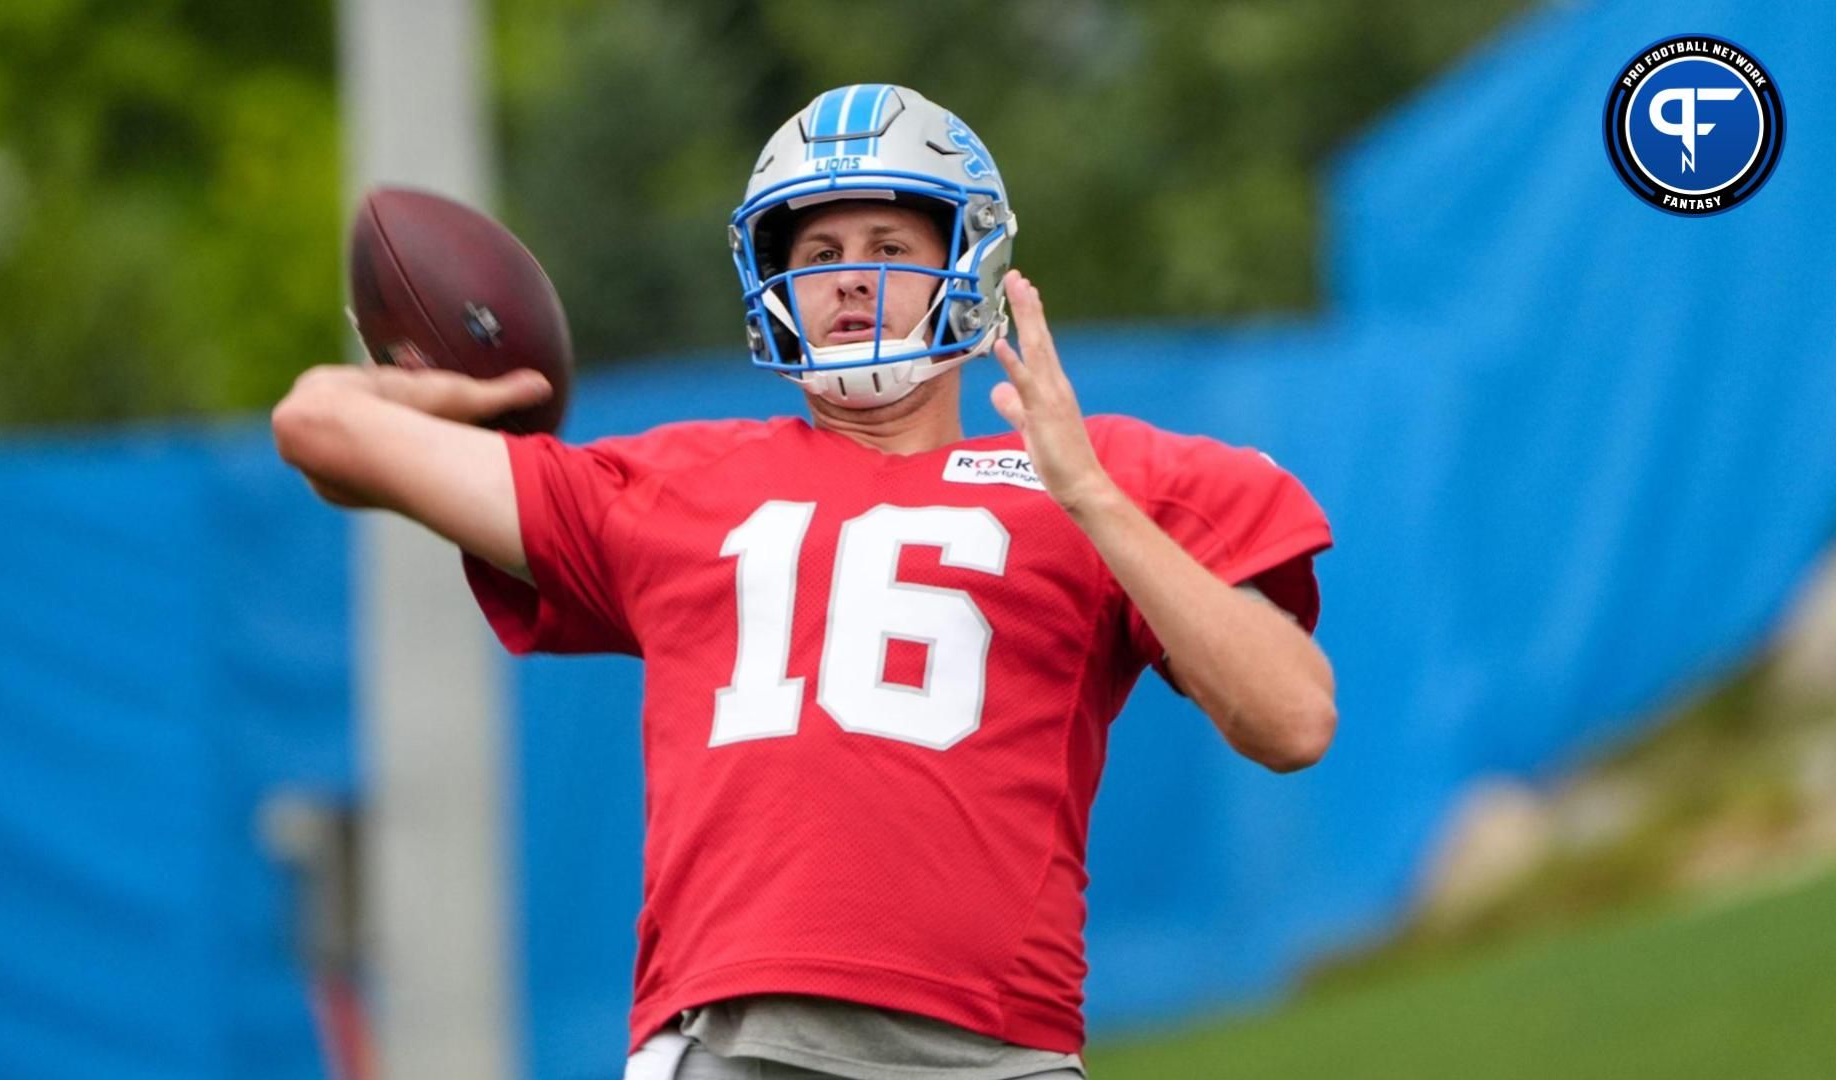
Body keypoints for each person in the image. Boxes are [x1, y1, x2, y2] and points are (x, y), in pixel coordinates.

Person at [274, 84, 1335, 1080]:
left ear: (967, 259)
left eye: (888, 243)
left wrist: (1095, 502)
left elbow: (1292, 717)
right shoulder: (675, 485)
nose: (848, 275)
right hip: (733, 1040)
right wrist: (478, 392)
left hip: (993, 1049)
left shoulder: (1101, 472)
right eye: (818, 249)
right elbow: (321, 424)